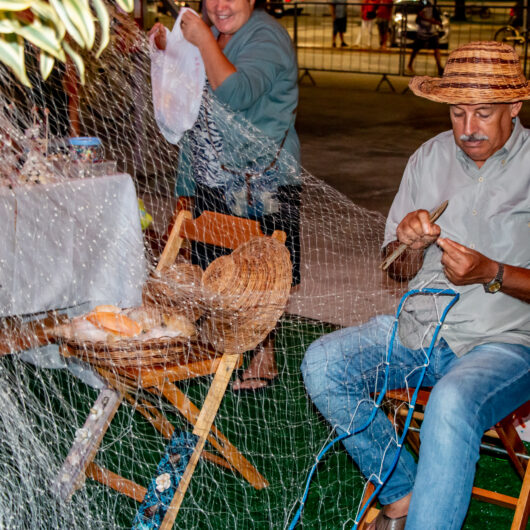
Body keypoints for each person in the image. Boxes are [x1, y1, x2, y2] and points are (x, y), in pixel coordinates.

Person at [301, 41, 530, 530]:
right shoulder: (428, 158)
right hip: (422, 330)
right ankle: (403, 491)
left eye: (484, 114)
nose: (467, 129)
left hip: (507, 345)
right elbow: (395, 270)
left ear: (515, 106)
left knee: (451, 399)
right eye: (457, 112)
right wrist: (407, 243)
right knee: (323, 363)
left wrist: (492, 272)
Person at [149, 0, 301, 392]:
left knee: (260, 275)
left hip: (259, 183)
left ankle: (264, 355)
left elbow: (235, 92)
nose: (220, 5)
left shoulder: (267, 36)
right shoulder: (213, 34)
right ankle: (218, 346)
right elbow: (191, 114)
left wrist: (201, 40)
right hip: (211, 177)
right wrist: (170, 51)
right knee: (216, 270)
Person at [406, 0, 443, 76]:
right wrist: (422, 17)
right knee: (416, 49)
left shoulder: (433, 8)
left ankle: (439, 67)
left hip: (431, 32)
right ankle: (409, 65)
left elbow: (438, 20)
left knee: (436, 48)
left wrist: (436, 22)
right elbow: (418, 20)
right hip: (422, 32)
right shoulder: (421, 6)